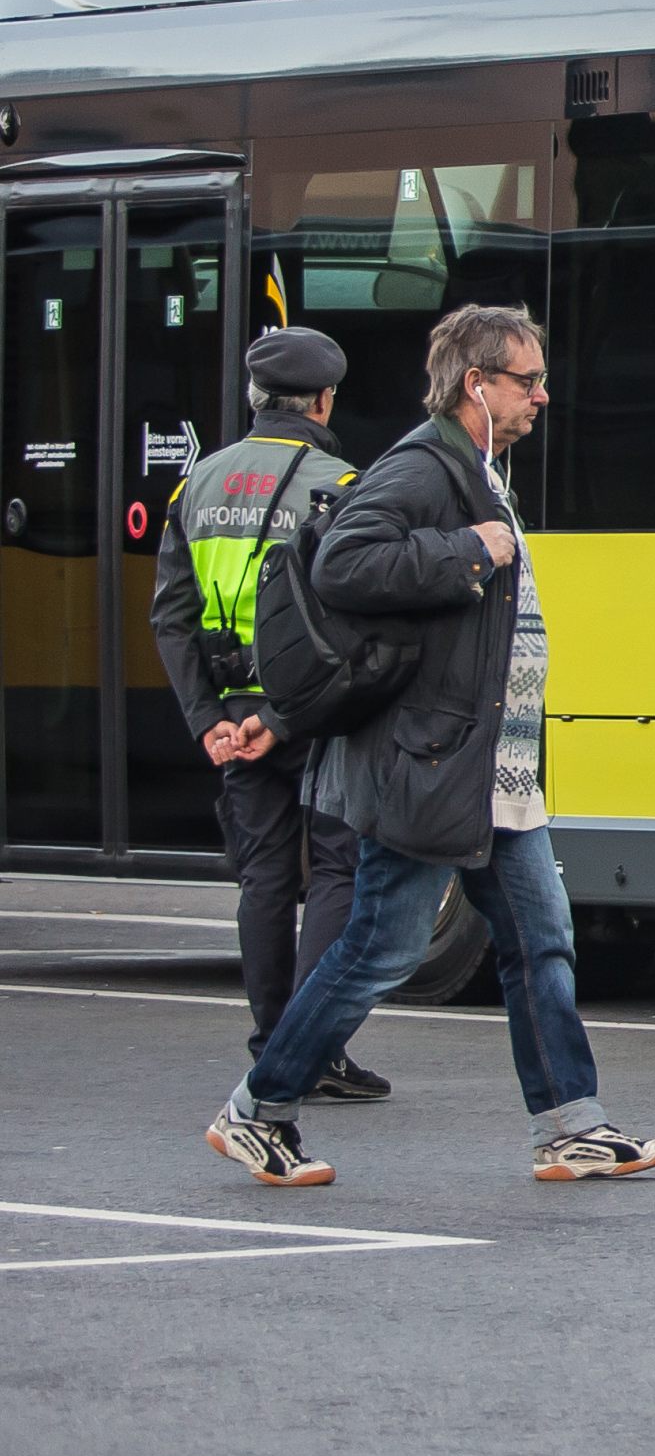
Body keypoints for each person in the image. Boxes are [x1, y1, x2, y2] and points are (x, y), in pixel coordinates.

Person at [203, 305, 655, 1189]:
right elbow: (343, 559)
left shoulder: (480, 469)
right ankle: (258, 1109)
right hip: (433, 765)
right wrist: (469, 547)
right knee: (378, 949)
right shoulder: (425, 467)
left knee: (542, 940)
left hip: (490, 767)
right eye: (525, 380)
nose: (542, 394)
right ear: (476, 385)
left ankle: (572, 1124)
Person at [145, 325, 384, 1101]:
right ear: (323, 399)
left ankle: (269, 1045)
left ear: (255, 398)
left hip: (231, 712)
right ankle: (312, 1046)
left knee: (265, 880)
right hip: (314, 712)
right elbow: (356, 616)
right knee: (339, 868)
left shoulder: (198, 483)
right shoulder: (344, 483)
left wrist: (207, 718)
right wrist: (287, 714)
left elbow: (171, 618)